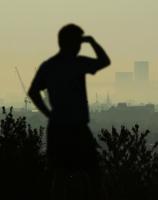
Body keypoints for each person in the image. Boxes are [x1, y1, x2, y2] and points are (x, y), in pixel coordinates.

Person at [28, 24, 111, 200]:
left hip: (58, 127)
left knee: (60, 174)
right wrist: (92, 42)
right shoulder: (78, 63)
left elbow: (33, 91)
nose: (80, 46)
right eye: (78, 42)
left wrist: (48, 113)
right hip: (77, 127)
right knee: (93, 173)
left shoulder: (49, 66)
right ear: (73, 43)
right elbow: (104, 61)